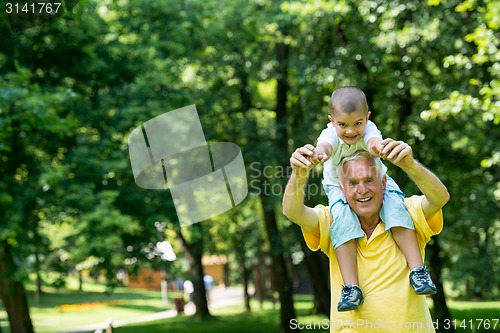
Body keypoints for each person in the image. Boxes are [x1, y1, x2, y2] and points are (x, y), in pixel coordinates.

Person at [282, 140, 449, 332]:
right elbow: (292, 212)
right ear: (342, 190)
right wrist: (299, 173)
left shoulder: (406, 214)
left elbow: (440, 198)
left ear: (383, 182)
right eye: (353, 183)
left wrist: (410, 166)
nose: (362, 190)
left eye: (369, 180)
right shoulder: (333, 221)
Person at [311, 86, 436, 311]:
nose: (350, 131)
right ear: (332, 121)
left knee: (397, 211)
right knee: (342, 225)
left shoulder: (370, 129)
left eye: (357, 123)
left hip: (378, 181)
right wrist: (320, 154)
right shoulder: (329, 133)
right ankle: (351, 287)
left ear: (367, 118)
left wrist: (380, 149)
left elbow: (372, 142)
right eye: (343, 125)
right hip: (338, 188)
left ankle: (418, 271)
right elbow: (326, 146)